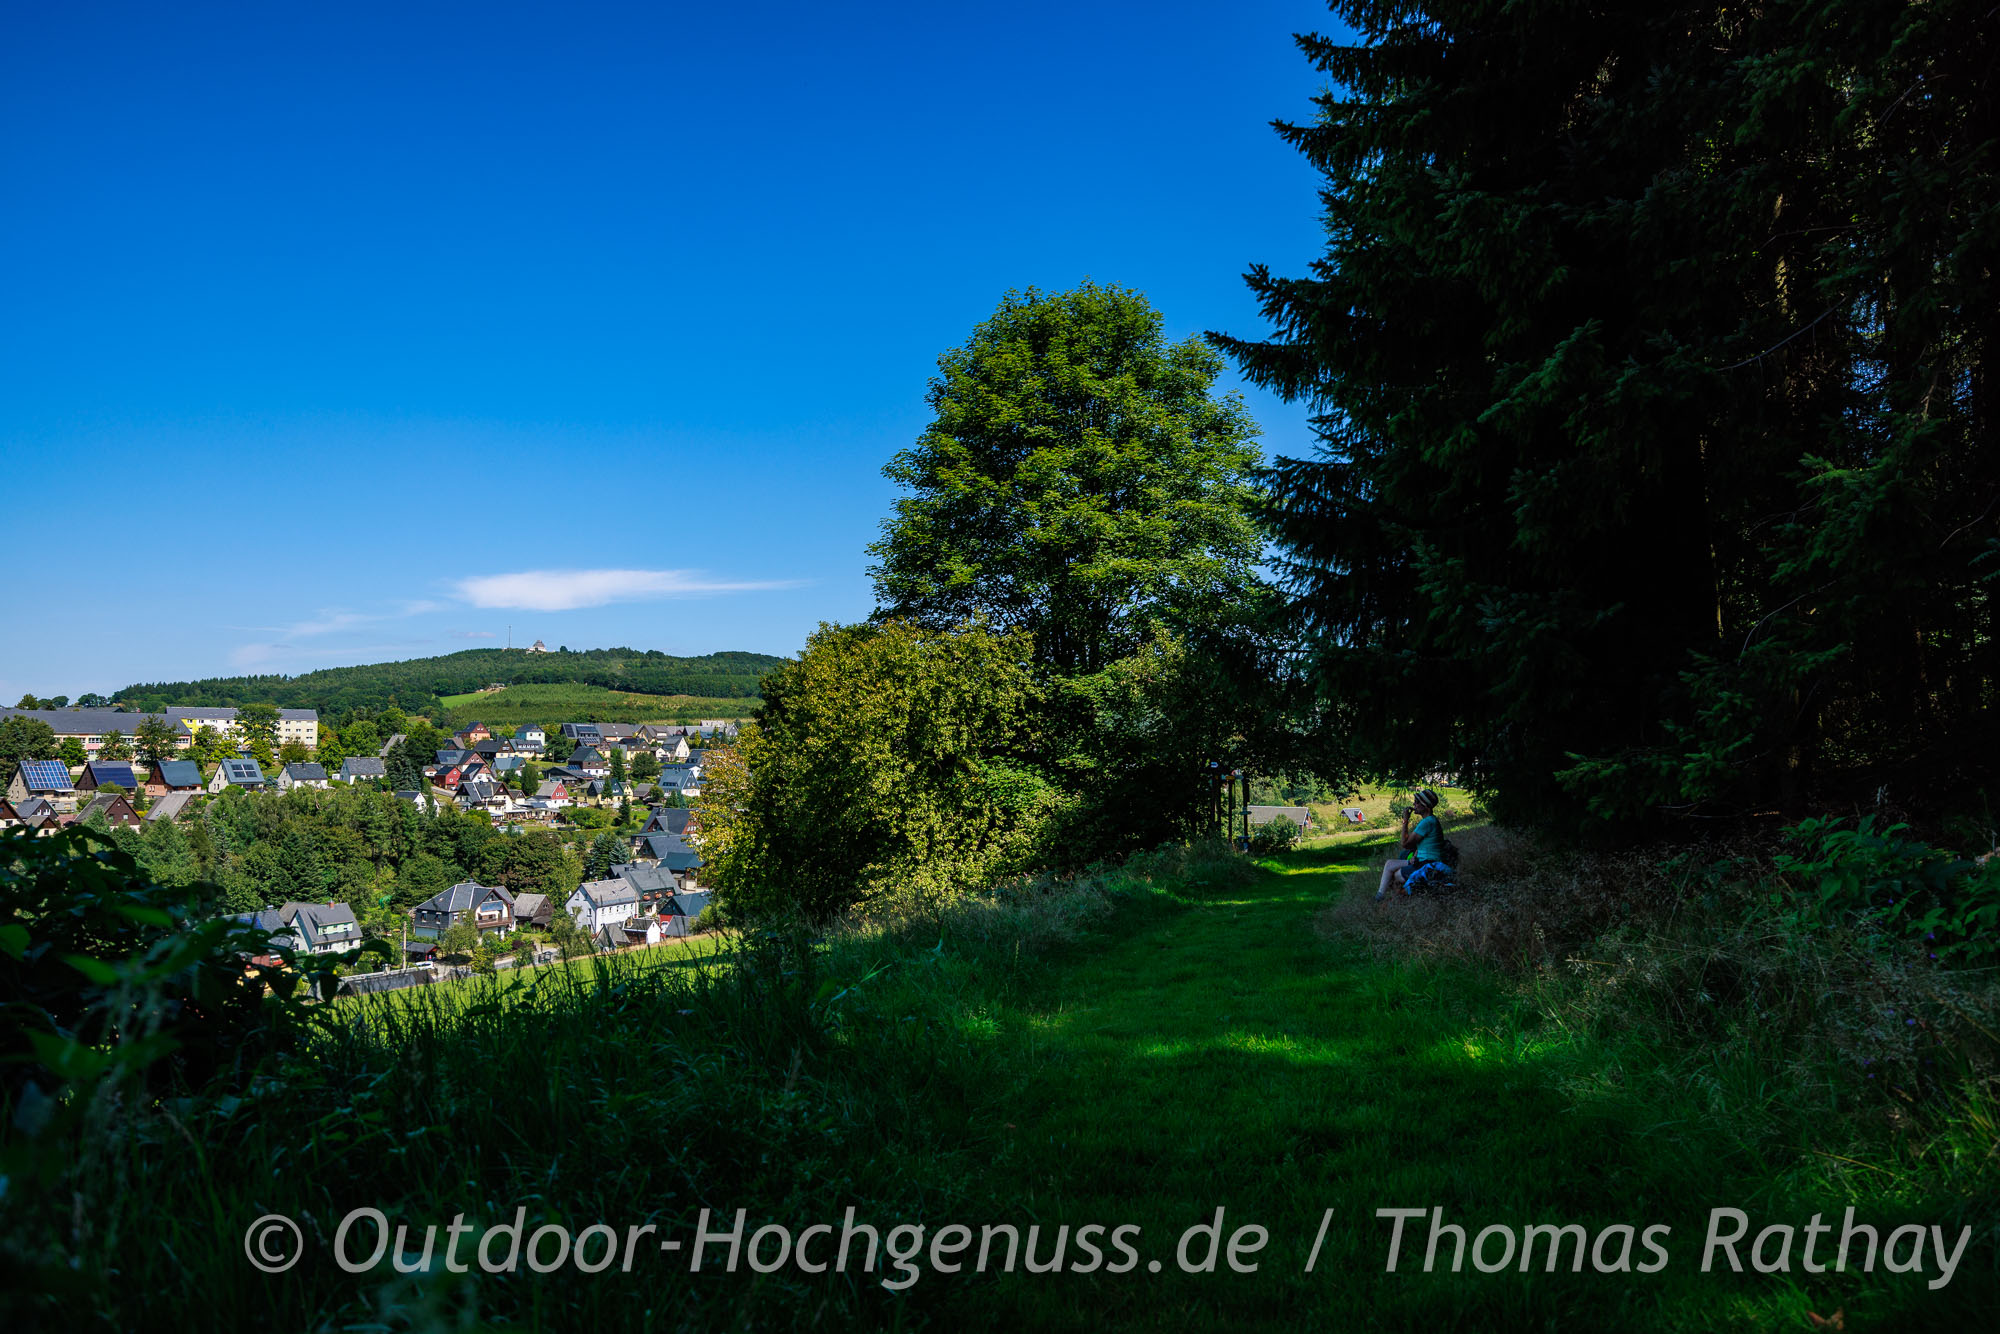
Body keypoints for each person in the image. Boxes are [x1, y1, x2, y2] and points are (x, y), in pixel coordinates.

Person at [1375, 789, 1446, 900]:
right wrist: (1416, 854)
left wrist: (1405, 820)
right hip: (1424, 860)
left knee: (1394, 873)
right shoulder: (1431, 820)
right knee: (1390, 865)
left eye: (1417, 802)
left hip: (1428, 864)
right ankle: (1385, 898)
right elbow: (1423, 844)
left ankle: (1384, 899)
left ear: (1426, 806)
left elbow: (1405, 843)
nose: (1414, 804)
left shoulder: (1427, 822)